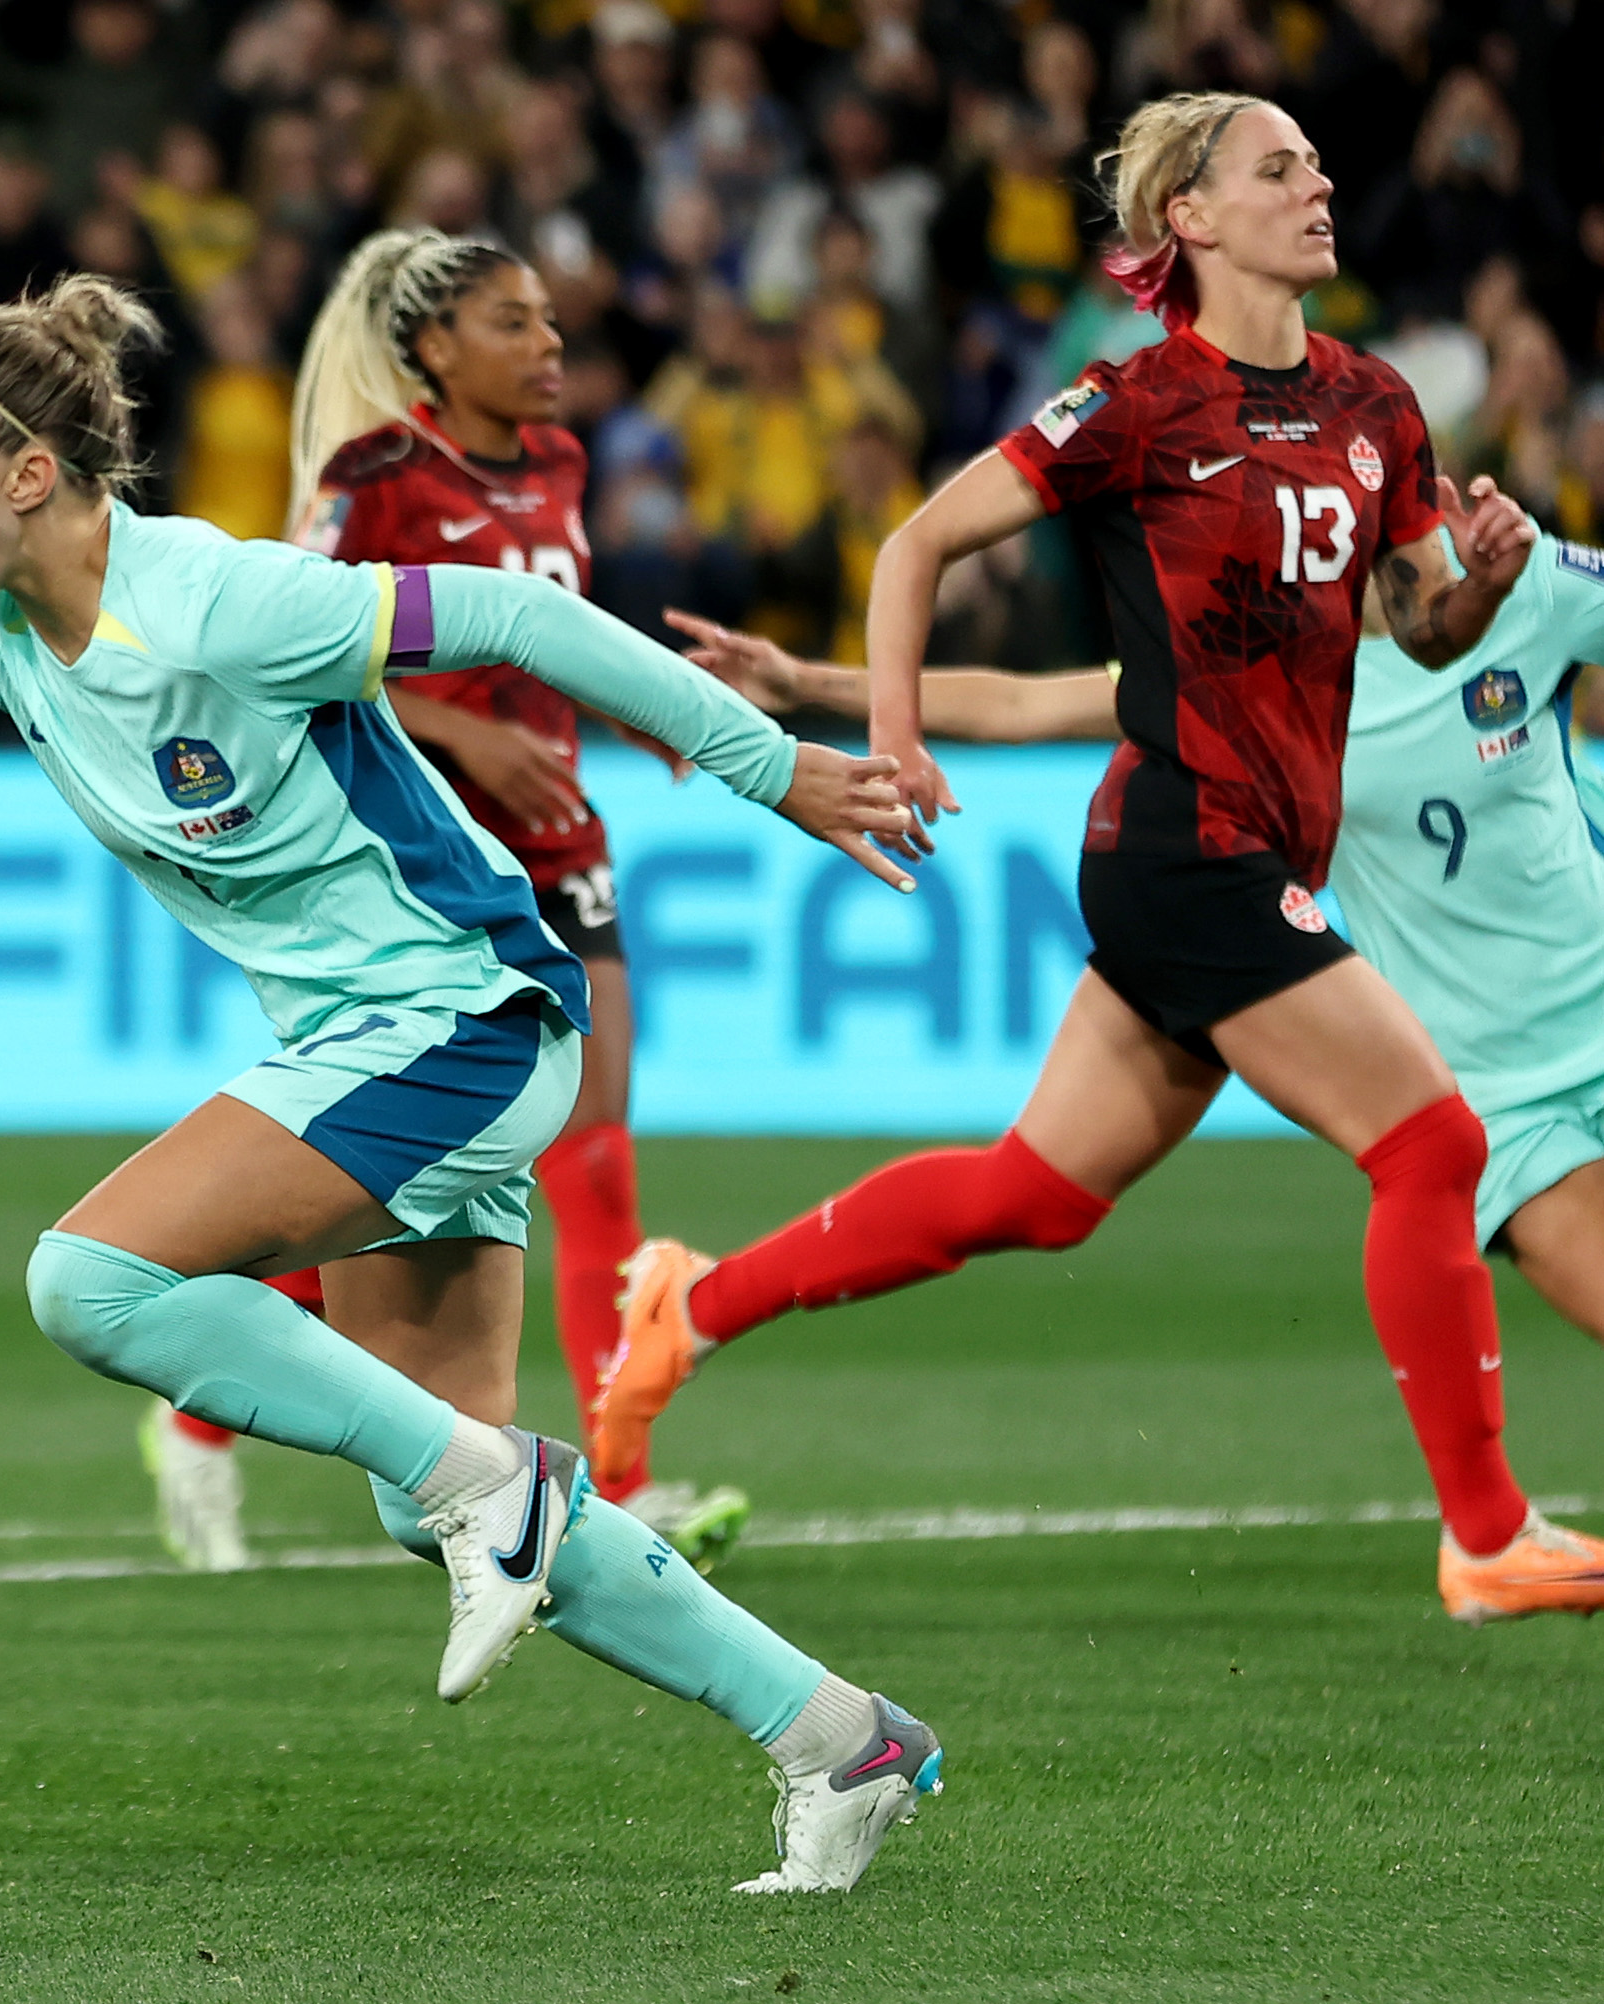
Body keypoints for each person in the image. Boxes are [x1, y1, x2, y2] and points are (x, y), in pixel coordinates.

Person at [0, 276, 944, 1893]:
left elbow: (525, 621)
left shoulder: (220, 600)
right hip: (372, 1038)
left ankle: (507, 1488)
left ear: (29, 471)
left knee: (93, 1275)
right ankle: (837, 1734)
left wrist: (777, 763)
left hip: (466, 1013)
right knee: (433, 1485)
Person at [595, 93, 1604, 1625]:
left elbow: (1419, 622)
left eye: (1319, 164)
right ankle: (1483, 1534)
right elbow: (913, 546)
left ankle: (689, 1302)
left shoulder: (1375, 406)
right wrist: (885, 731)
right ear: (1189, 219)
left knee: (1035, 1193)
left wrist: (1488, 575)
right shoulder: (1137, 405)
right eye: (1280, 169)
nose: (1319, 183)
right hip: (1178, 847)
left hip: (1248, 856)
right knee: (1432, 1144)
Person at [671, 517, 1604, 1625]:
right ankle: (689, 1301)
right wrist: (799, 680)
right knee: (1034, 1189)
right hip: (1511, 1106)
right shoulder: (1268, 667)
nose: (1423, 516)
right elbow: (1027, 703)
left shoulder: (1531, 585)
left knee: (1034, 1190)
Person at [132, 227, 751, 1584]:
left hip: (560, 833)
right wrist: (461, 737)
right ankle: (193, 1412)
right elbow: (285, 655)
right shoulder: (372, 478)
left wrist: (626, 709)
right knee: (396, 1187)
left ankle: (620, 1473)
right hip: (431, 853)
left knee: (592, 1149)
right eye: (513, 324)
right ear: (433, 347)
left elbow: (547, 630)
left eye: (549, 323)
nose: (549, 347)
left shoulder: (564, 464)